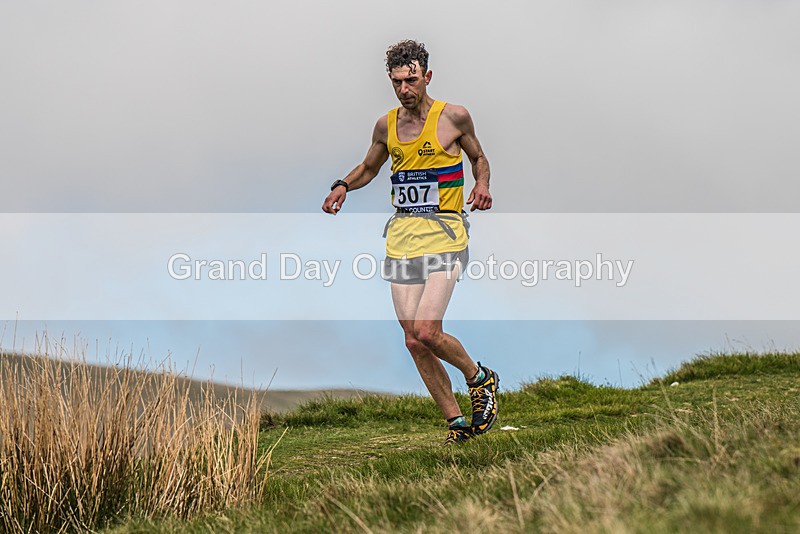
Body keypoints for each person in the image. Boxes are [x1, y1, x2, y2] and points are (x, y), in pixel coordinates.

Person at [322, 40, 498, 445]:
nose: (405, 89)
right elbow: (369, 167)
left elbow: (478, 158)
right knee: (412, 340)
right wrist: (343, 186)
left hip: (446, 234)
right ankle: (457, 425)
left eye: (412, 80)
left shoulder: (454, 117)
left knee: (428, 329)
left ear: (427, 77)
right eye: (397, 82)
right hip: (402, 239)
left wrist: (483, 184)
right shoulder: (386, 126)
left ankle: (480, 378)